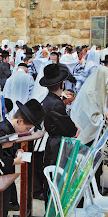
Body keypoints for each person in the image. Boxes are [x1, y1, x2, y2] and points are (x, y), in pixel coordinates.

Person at [0, 99, 44, 217]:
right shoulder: (2, 129)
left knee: (2, 216)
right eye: (26, 128)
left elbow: (10, 147)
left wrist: (16, 151)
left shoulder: (10, 128)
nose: (25, 132)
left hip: (5, 180)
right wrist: (14, 160)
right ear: (20, 120)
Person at [40, 64, 79, 205]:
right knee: (56, 180)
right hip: (57, 145)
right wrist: (75, 130)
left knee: (53, 178)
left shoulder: (49, 100)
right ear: (62, 84)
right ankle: (54, 213)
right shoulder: (56, 103)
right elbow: (69, 129)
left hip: (53, 142)